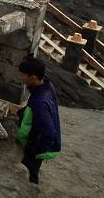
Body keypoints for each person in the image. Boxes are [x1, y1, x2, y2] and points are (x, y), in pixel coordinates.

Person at [16, 57, 61, 185]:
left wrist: (35, 150)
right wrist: (21, 112)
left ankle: (31, 188)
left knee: (30, 170)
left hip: (39, 146)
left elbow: (48, 133)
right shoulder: (46, 85)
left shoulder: (40, 102)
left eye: (23, 75)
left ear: (33, 77)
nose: (21, 78)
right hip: (41, 142)